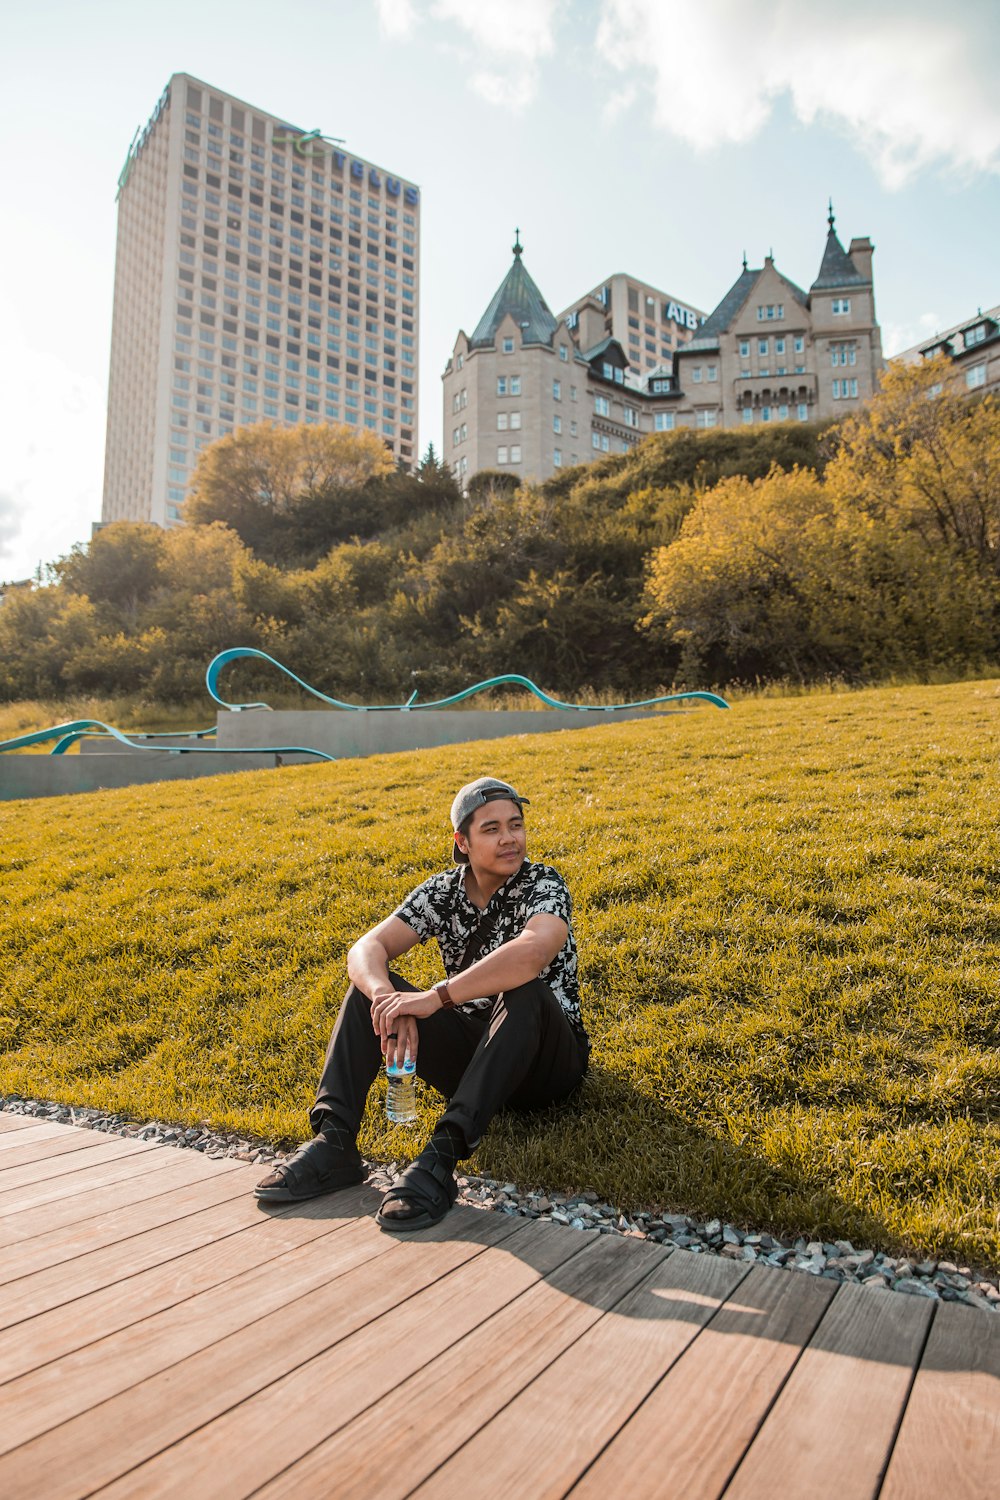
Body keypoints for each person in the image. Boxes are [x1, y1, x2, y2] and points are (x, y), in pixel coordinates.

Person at [255, 776, 589, 1230]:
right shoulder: (443, 891)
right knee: (369, 988)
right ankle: (334, 1141)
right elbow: (366, 949)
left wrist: (435, 998)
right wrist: (387, 1000)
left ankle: (440, 1158)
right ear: (463, 842)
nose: (510, 838)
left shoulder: (542, 883)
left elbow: (531, 954)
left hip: (546, 1062)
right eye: (491, 829)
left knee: (525, 988)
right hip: (478, 1057)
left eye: (516, 825)